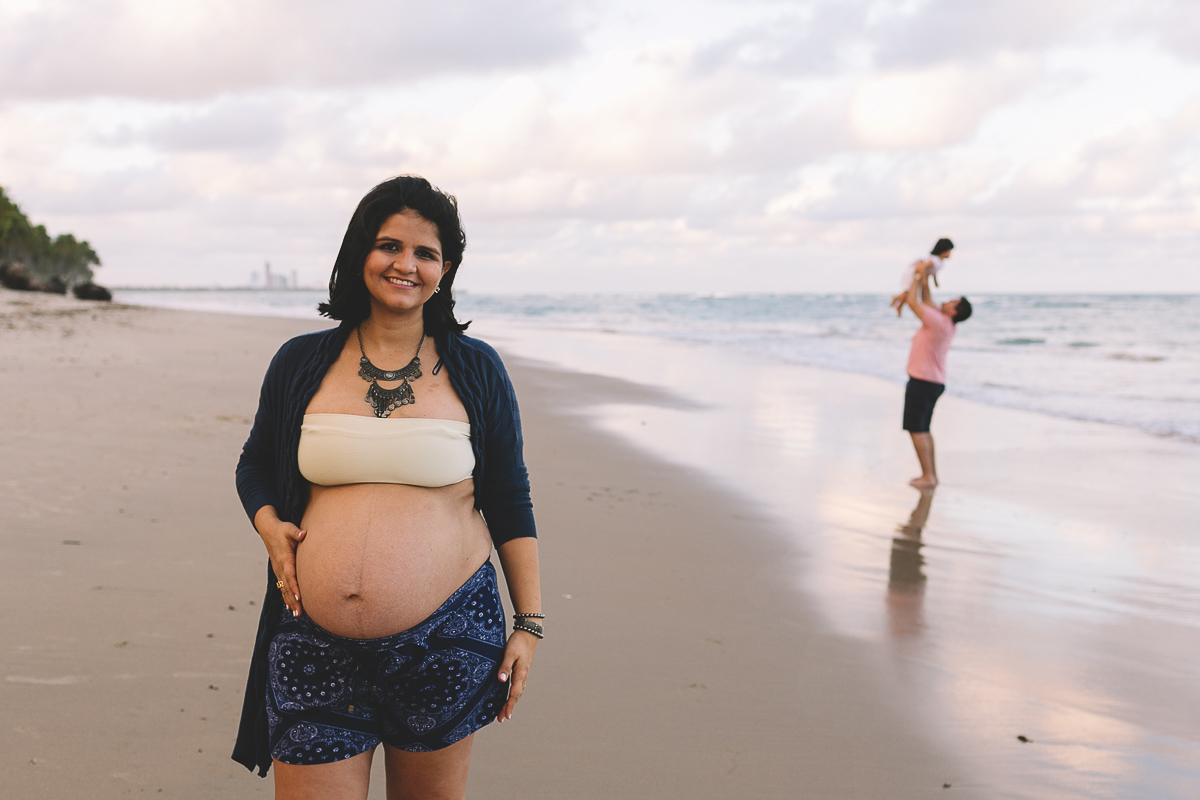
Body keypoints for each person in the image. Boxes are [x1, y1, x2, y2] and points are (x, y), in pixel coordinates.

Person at [232, 176, 542, 799]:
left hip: (450, 635)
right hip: (311, 640)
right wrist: (268, 523)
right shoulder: (301, 361)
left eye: (425, 253)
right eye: (389, 246)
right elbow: (255, 465)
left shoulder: (475, 366)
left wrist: (528, 623)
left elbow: (510, 497)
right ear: (358, 255)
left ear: (445, 269)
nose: (406, 264)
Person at [901, 261, 971, 488]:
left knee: (916, 429)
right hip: (933, 383)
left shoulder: (938, 322)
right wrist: (925, 276)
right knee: (924, 429)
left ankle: (928, 476)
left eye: (952, 301)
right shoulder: (946, 322)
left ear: (953, 310)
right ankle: (930, 475)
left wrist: (914, 276)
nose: (947, 300)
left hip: (923, 382)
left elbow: (914, 302)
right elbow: (927, 299)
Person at [890, 238, 954, 316]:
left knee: (908, 293)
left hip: (918, 275)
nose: (950, 253)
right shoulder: (935, 260)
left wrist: (935, 282)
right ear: (943, 251)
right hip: (913, 272)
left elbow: (934, 273)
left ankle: (898, 305)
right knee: (907, 292)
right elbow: (922, 267)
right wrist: (924, 280)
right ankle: (896, 300)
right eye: (949, 251)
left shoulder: (940, 262)